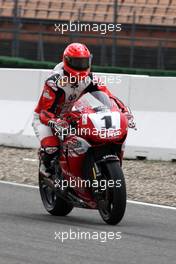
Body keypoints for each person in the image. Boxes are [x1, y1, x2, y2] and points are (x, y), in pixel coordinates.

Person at [32, 43, 135, 177]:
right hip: (45, 119)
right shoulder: (54, 82)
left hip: (67, 114)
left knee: (87, 136)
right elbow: (44, 112)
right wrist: (55, 122)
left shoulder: (89, 78)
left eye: (84, 62)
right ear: (67, 61)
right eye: (76, 62)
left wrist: (123, 111)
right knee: (52, 148)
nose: (81, 66)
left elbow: (108, 97)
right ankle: (45, 168)